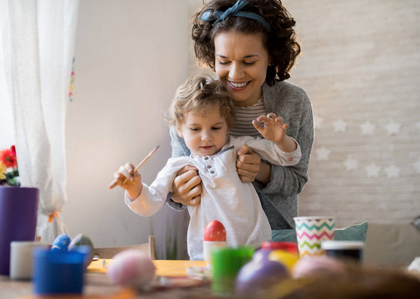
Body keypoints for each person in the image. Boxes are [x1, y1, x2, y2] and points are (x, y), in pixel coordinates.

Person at [109, 74, 301, 260]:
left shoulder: (240, 146)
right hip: (207, 256)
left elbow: (289, 158)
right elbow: (149, 204)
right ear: (179, 128)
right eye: (195, 129)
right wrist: (134, 189)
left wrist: (280, 140)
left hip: (255, 249)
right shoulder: (177, 166)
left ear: (228, 125)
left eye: (215, 128)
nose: (206, 137)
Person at [167, 0, 314, 230]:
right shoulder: (192, 104)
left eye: (249, 61)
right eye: (223, 61)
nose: (235, 74)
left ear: (271, 57)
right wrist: (177, 192)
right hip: (215, 234)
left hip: (275, 233)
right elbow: (174, 180)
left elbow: (296, 180)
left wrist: (262, 172)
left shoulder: (294, 102)